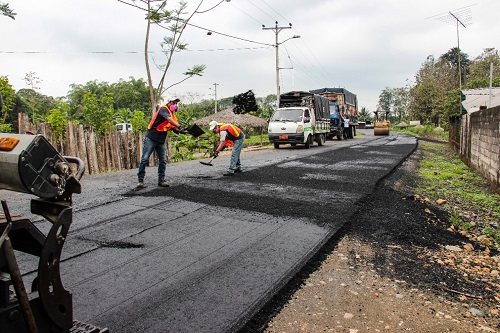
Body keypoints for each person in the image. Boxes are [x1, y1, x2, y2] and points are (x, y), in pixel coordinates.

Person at [136, 99, 185, 188]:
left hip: (160, 140)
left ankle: (161, 180)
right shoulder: (163, 109)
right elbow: (169, 120)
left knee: (163, 160)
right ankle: (140, 180)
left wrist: (182, 131)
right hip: (151, 137)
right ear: (169, 102)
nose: (175, 105)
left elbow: (173, 127)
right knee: (144, 158)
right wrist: (179, 126)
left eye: (176, 103)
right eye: (173, 103)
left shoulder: (172, 114)